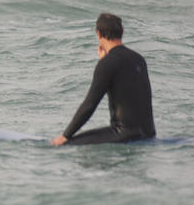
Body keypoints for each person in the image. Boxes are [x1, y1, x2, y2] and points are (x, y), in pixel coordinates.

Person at [51, 12, 155, 146]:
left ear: (98, 34)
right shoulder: (139, 59)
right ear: (122, 31)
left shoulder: (108, 64)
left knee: (68, 144)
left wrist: (65, 136)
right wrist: (105, 62)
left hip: (123, 135)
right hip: (148, 133)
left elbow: (90, 105)